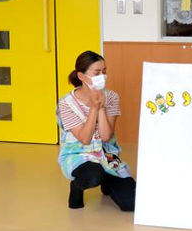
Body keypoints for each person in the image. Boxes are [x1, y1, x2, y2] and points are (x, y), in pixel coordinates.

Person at [57, 51, 136, 211]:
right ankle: (77, 187)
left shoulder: (112, 97)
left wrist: (100, 107)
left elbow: (106, 137)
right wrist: (94, 108)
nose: (103, 76)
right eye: (97, 72)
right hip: (79, 154)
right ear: (81, 76)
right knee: (92, 175)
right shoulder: (66, 104)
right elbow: (85, 139)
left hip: (106, 155)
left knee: (131, 203)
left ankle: (108, 181)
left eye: (104, 71)